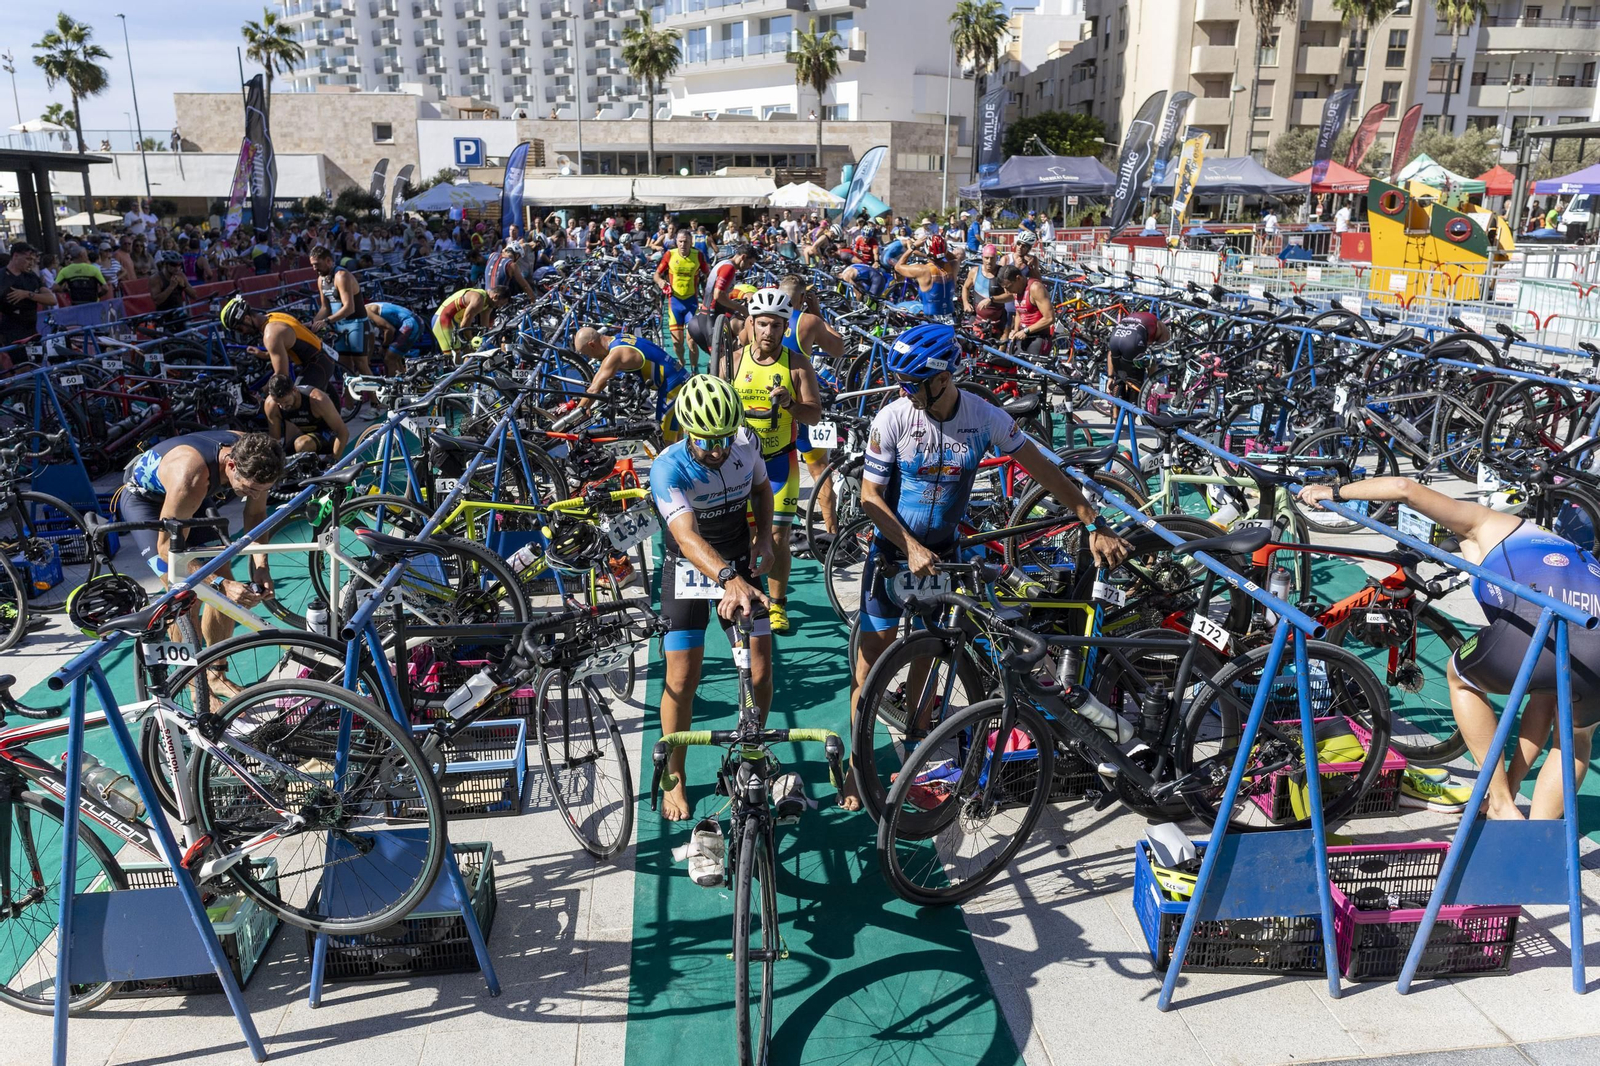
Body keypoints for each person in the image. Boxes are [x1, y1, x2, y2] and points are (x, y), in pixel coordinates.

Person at [848, 323, 1131, 809]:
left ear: (941, 378)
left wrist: (1092, 520)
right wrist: (910, 545)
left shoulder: (984, 418)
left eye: (912, 383)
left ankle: (915, 753)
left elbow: (1043, 468)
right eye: (900, 382)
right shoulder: (892, 418)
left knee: (927, 659)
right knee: (870, 668)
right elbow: (870, 497)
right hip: (893, 553)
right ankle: (857, 768)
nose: (903, 391)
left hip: (944, 556)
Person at [1296, 478, 1600, 820]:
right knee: (1571, 733)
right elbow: (1543, 694)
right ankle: (1533, 829)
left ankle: (1500, 803)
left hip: (1534, 624)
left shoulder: (1484, 521)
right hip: (1595, 637)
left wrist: (1334, 492)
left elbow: (1405, 488)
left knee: (1460, 676)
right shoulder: (1573, 550)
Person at [650, 374, 775, 820]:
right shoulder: (668, 468)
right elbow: (685, 538)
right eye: (708, 441)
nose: (719, 449)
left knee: (760, 672)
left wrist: (763, 538)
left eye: (725, 438)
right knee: (682, 679)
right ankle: (675, 776)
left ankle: (748, 757)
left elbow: (762, 489)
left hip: (738, 562)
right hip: (689, 569)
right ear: (687, 431)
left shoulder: (746, 442)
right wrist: (728, 578)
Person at [118, 430, 285, 670]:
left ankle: (216, 673)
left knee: (224, 581)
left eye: (262, 489)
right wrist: (219, 584)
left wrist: (261, 566)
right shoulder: (191, 478)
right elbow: (167, 550)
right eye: (249, 489)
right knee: (184, 595)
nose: (256, 495)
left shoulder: (258, 456)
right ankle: (193, 685)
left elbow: (256, 514)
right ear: (231, 464)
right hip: (148, 504)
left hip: (190, 500)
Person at [727, 287, 823, 633]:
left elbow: (814, 416)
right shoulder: (732, 361)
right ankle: (745, 595)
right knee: (744, 534)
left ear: (786, 328)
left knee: (778, 537)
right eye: (763, 324)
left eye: (777, 326)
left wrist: (790, 405)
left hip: (780, 462)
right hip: (738, 463)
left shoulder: (797, 364)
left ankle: (779, 605)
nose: (769, 332)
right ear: (751, 324)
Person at [568, 325, 690, 440]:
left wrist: (577, 415)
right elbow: (597, 379)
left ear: (592, 345)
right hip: (678, 378)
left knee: (665, 440)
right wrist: (585, 406)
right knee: (677, 434)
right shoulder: (618, 338)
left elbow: (595, 389)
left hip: (673, 385)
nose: (590, 358)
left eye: (587, 353)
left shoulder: (616, 355)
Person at [220, 295, 339, 392]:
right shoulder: (273, 316)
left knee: (286, 404)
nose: (243, 333)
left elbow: (282, 375)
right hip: (323, 358)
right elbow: (285, 345)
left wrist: (262, 391)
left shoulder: (271, 334)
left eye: (240, 329)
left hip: (317, 364)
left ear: (246, 319)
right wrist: (263, 354)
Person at [655, 228, 709, 367]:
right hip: (675, 303)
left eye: (685, 241)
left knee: (692, 340)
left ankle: (694, 369)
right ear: (676, 242)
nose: (683, 245)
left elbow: (708, 274)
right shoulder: (669, 255)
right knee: (677, 342)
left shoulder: (698, 255)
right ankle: (681, 362)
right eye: (680, 241)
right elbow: (656, 275)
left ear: (691, 242)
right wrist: (661, 282)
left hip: (691, 302)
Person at [262, 373, 349, 457]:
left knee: (302, 444)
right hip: (304, 436)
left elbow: (343, 432)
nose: (283, 406)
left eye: (286, 402)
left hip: (328, 435)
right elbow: (275, 441)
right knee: (277, 455)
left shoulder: (317, 400)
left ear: (294, 390)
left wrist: (333, 460)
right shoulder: (271, 405)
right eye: (279, 403)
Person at [0, 243, 56, 358]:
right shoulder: (2, 277)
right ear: (15, 256)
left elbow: (51, 299)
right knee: (22, 368)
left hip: (31, 331)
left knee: (38, 365)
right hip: (11, 332)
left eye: (33, 259)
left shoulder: (31, 277)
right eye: (27, 259)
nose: (30, 263)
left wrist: (27, 294)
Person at [1107, 309, 1169, 403]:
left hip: (1116, 335)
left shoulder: (1142, 319)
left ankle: (1116, 415)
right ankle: (1135, 408)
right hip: (1133, 339)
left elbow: (1111, 352)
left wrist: (1110, 376)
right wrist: (1150, 383)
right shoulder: (1163, 331)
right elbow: (1154, 360)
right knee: (1136, 383)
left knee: (1120, 378)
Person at [891, 235, 956, 319]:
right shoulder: (953, 266)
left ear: (927, 250)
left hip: (931, 318)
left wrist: (913, 247)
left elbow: (898, 267)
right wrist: (941, 249)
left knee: (900, 305)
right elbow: (954, 258)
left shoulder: (922, 270)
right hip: (950, 315)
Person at [999, 264, 1055, 356]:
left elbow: (1050, 318)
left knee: (1032, 369)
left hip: (1038, 338)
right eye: (1004, 288)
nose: (1007, 292)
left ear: (1018, 278)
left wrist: (1026, 331)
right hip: (1023, 337)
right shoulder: (1016, 290)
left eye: (1008, 287)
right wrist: (1015, 330)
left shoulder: (1035, 288)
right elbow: (1019, 313)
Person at [364, 300, 426, 376]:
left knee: (389, 359)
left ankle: (394, 386)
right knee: (396, 358)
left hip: (410, 324)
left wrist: (384, 346)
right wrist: (367, 360)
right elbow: (371, 339)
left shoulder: (366, 311)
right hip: (416, 321)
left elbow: (389, 329)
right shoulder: (368, 308)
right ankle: (404, 384)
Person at [432, 286, 494, 358]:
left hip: (454, 322)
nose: (499, 307)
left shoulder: (489, 303)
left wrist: (484, 340)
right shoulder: (479, 299)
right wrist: (471, 340)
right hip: (443, 320)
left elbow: (484, 327)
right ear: (495, 297)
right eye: (501, 304)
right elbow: (464, 325)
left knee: (470, 351)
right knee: (453, 356)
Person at [962, 243, 1005, 337]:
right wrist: (966, 303)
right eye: (986, 258)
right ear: (982, 257)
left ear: (996, 258)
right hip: (978, 320)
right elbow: (965, 287)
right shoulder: (975, 271)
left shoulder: (1002, 273)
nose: (989, 261)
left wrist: (991, 299)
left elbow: (1011, 295)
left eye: (992, 258)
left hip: (997, 322)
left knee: (995, 350)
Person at [148, 250, 198, 321]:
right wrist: (171, 287)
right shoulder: (156, 278)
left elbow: (195, 296)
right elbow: (157, 301)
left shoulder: (180, 274)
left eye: (179, 264)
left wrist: (183, 286)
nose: (177, 268)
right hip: (163, 316)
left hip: (179, 313)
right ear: (166, 264)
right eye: (173, 264)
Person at [484, 240, 537, 304]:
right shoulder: (512, 265)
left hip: (485, 296)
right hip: (498, 300)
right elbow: (524, 286)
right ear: (517, 255)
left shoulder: (492, 255)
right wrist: (532, 298)